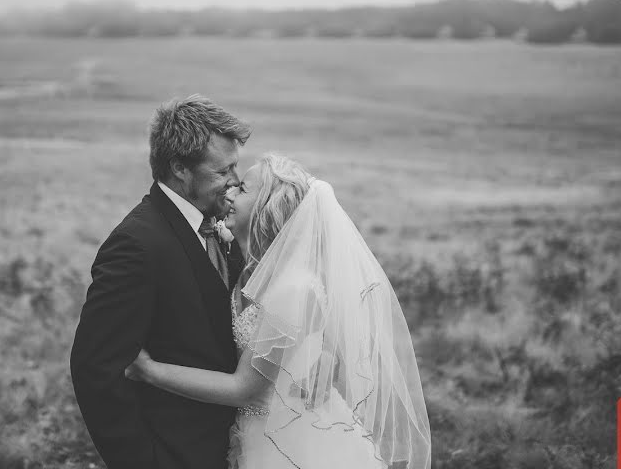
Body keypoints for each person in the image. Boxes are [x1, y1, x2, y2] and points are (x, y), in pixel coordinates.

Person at [126, 154, 432, 469]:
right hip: (252, 431)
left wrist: (148, 370)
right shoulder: (256, 266)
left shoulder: (294, 289)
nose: (230, 192)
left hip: (290, 442)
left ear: (266, 209)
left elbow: (244, 389)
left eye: (242, 190)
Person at [70, 94, 252, 469]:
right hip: (173, 453)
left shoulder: (216, 224)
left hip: (233, 446)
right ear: (180, 168)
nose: (235, 183)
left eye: (236, 168)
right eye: (222, 172)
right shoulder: (135, 245)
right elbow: (95, 370)